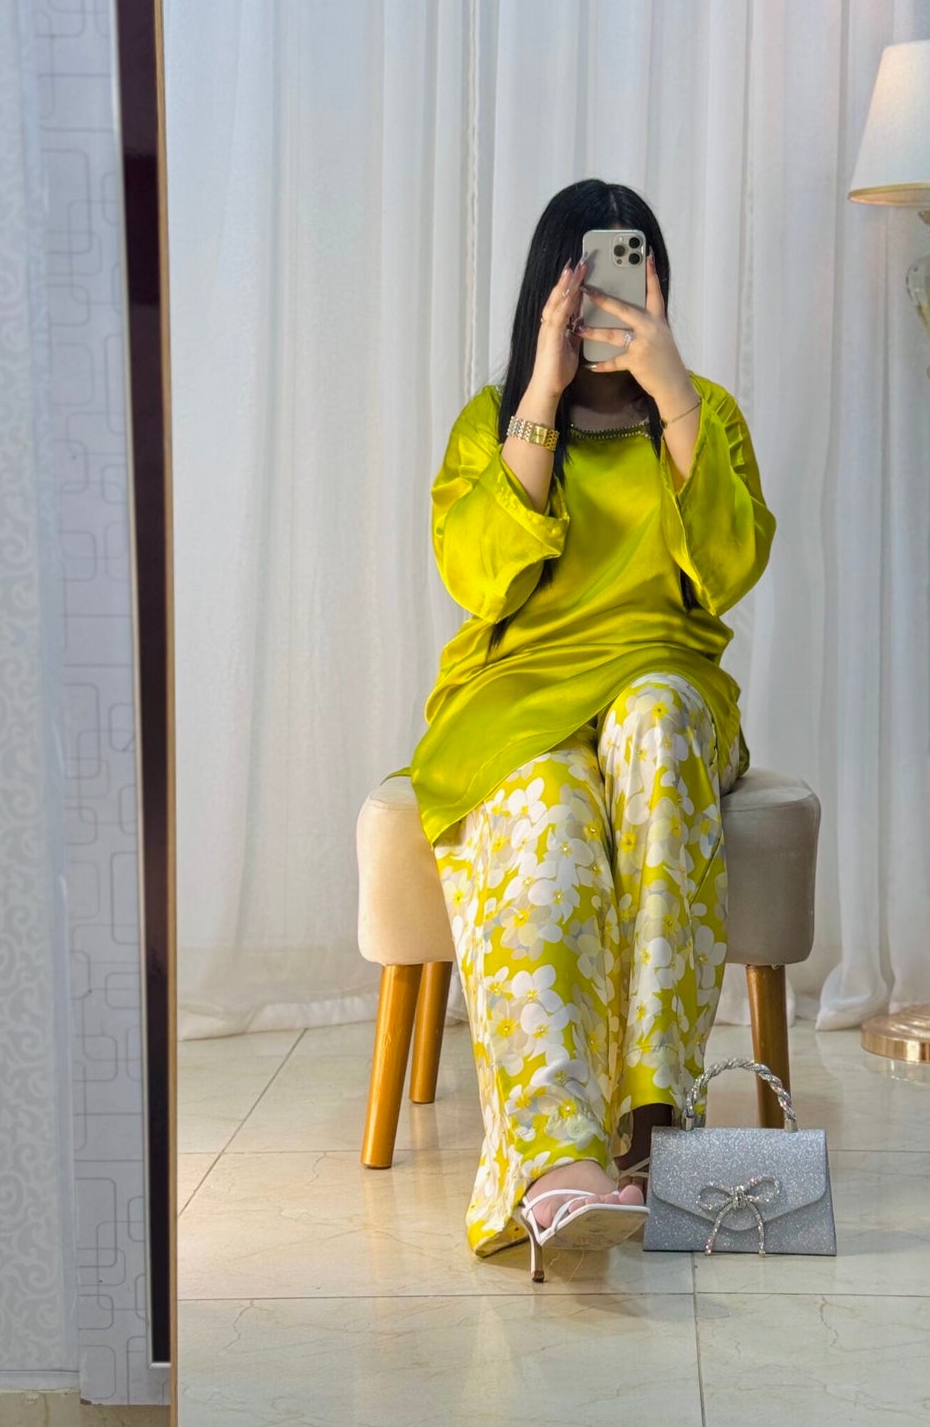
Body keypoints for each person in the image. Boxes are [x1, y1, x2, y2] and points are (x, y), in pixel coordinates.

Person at [396, 178, 775, 1280]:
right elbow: (481, 580)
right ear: (551, 290)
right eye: (592, 277)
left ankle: (655, 1127)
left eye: (632, 271)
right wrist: (544, 394)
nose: (612, 296)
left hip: (667, 681)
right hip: (520, 696)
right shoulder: (495, 420)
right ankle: (558, 1167)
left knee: (654, 721)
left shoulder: (705, 412)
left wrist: (672, 392)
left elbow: (727, 571)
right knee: (552, 811)